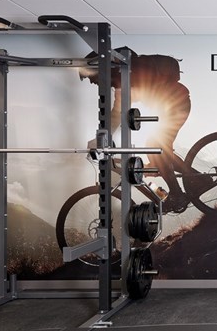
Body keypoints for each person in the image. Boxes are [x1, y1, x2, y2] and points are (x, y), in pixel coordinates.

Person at [81, 47, 191, 211]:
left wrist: (100, 139)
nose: (93, 82)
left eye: (91, 77)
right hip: (174, 103)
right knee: (158, 152)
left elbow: (117, 114)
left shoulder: (125, 78)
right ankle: (197, 180)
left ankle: (177, 195)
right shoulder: (125, 77)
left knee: (155, 146)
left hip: (175, 104)